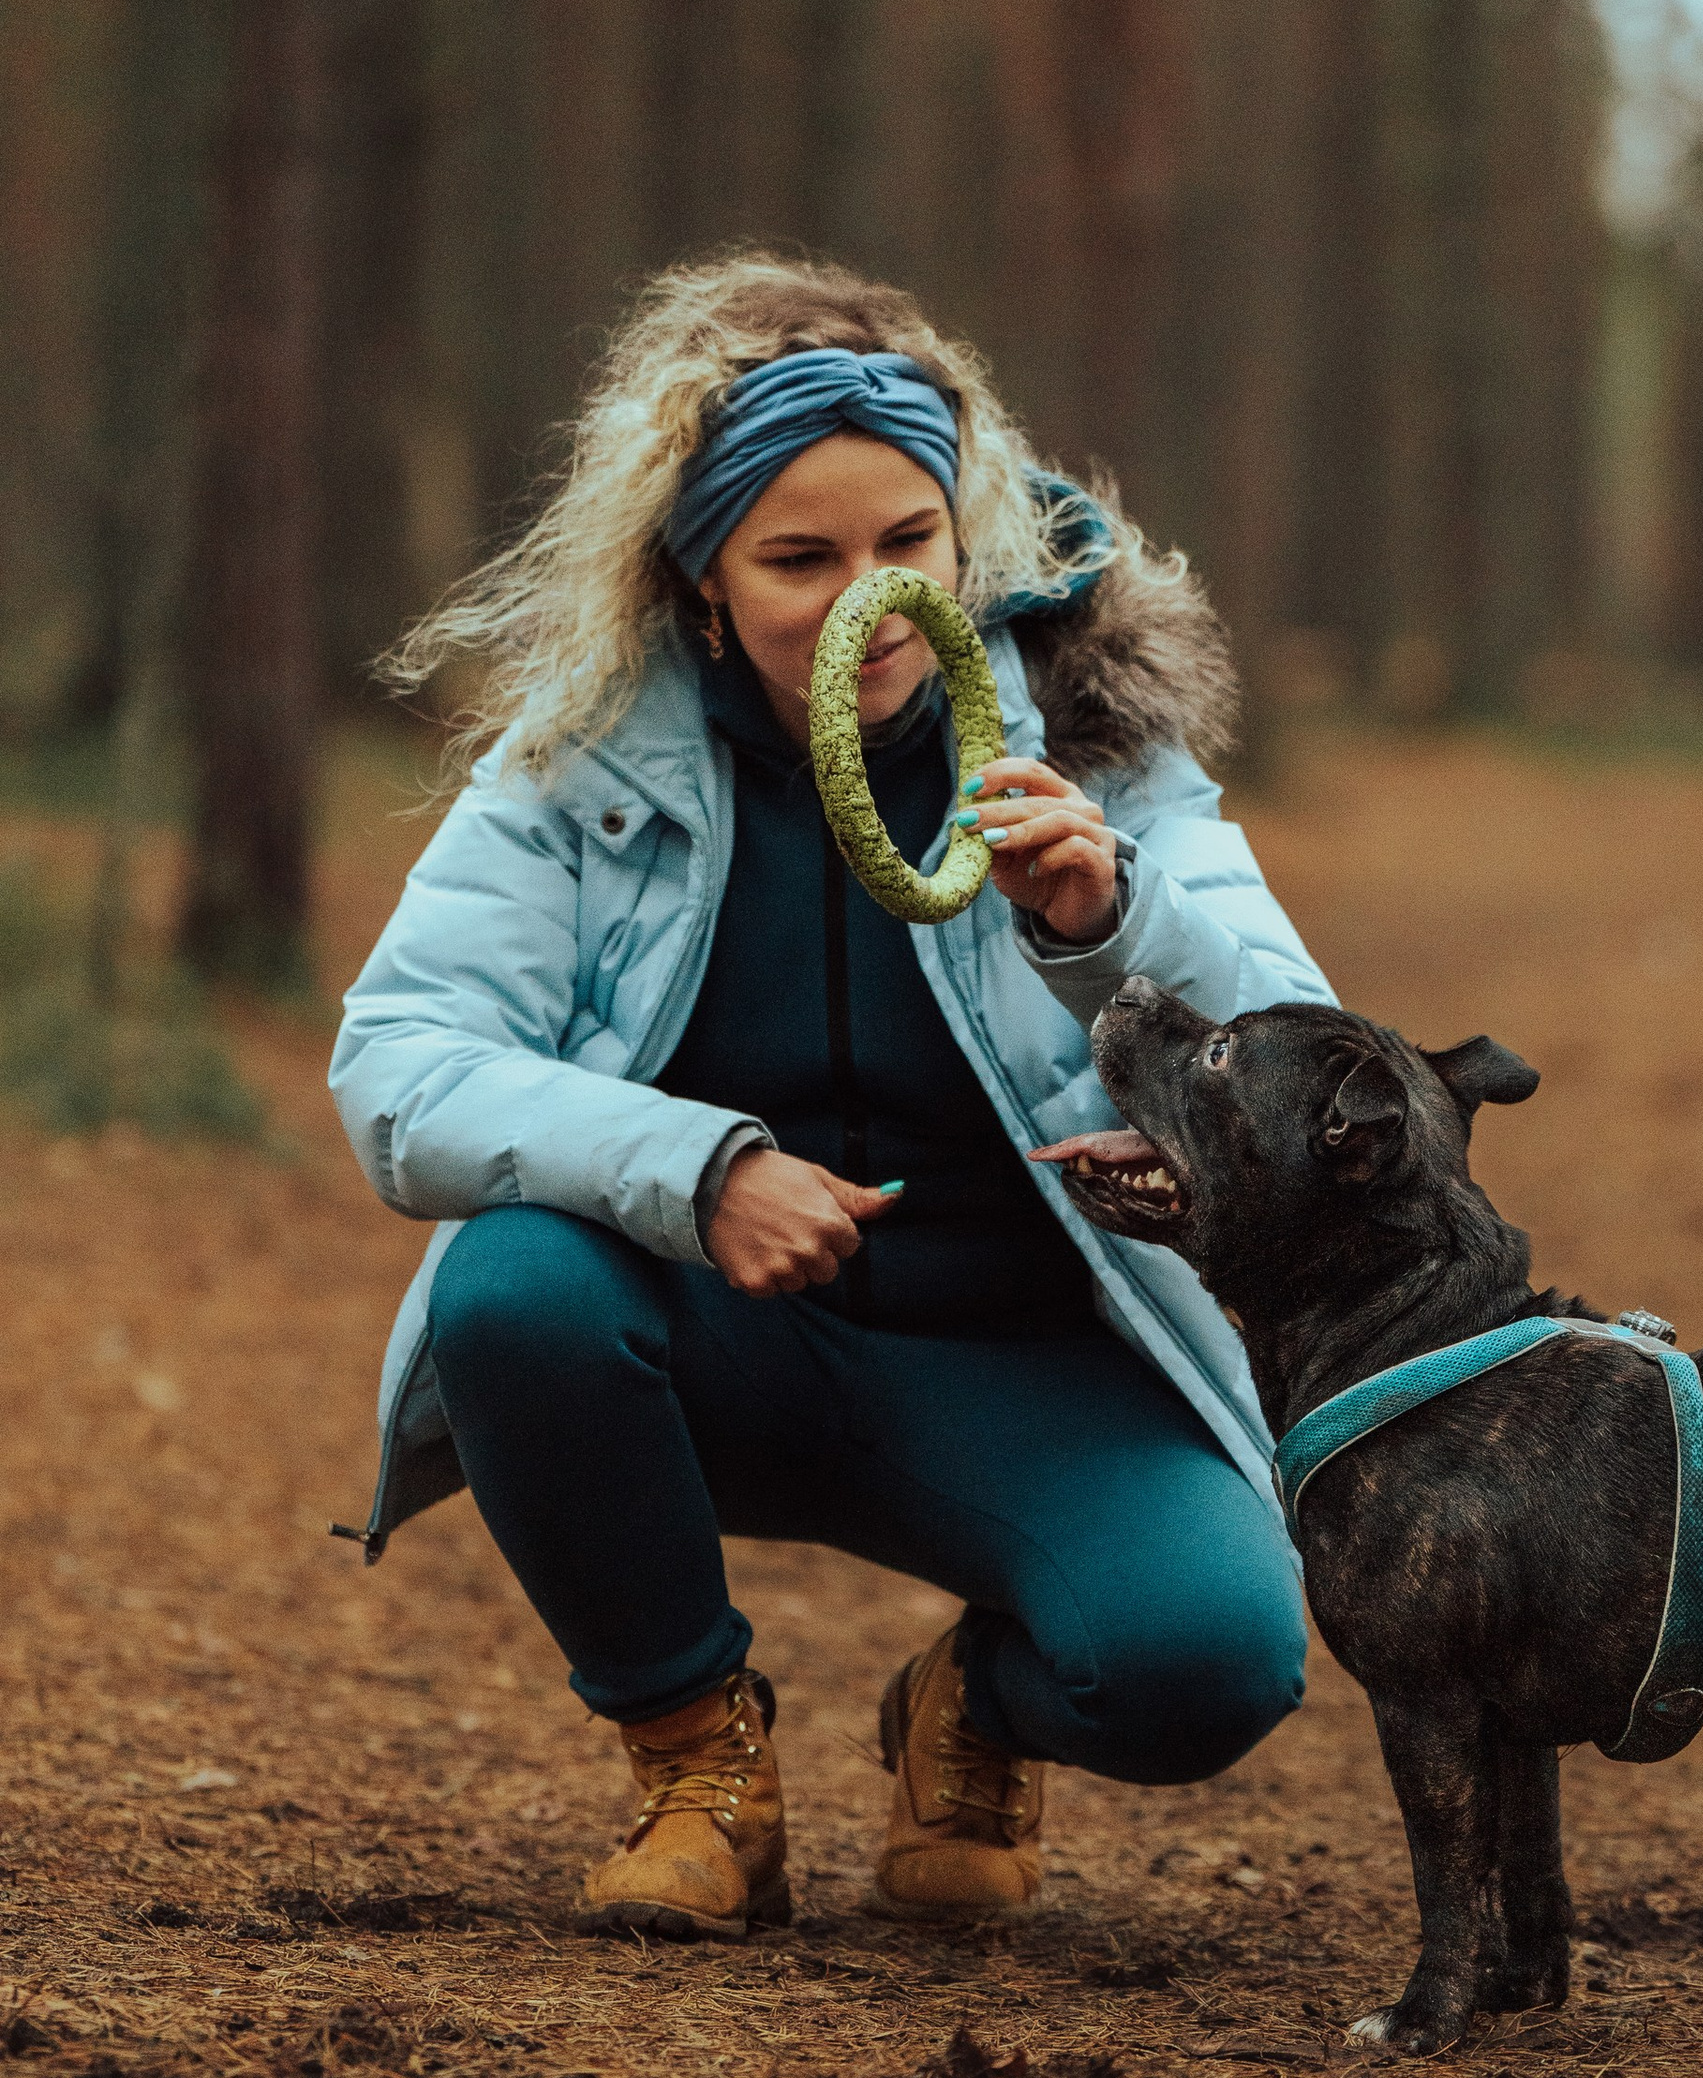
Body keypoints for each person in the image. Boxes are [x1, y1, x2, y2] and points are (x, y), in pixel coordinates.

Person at [331, 250, 1327, 1941]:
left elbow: (1307, 1068)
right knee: (511, 1289)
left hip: (1030, 1361)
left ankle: (975, 1705)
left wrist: (1114, 922)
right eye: (800, 559)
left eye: (905, 544)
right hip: (719, 1334)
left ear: (962, 545)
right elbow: (400, 1066)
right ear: (703, 580)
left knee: (1211, 1662)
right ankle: (697, 1765)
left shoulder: (1093, 738)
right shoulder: (585, 757)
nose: (868, 598)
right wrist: (698, 1170)